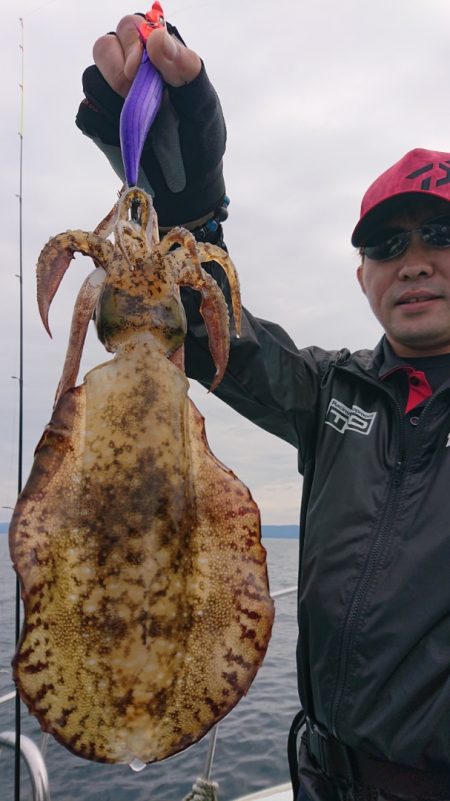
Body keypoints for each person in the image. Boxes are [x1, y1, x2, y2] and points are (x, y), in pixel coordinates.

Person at [76, 13, 450, 801]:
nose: (413, 262)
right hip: (319, 777)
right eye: (387, 245)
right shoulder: (333, 391)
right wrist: (187, 202)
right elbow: (221, 338)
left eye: (439, 234)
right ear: (362, 278)